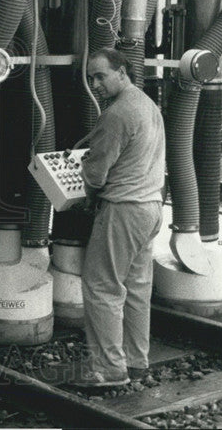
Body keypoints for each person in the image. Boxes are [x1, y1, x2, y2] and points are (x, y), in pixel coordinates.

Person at [74, 47, 165, 388]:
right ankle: (136, 362)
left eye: (101, 76)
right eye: (91, 78)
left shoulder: (117, 115)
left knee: (101, 286)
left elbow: (95, 174)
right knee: (137, 288)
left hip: (124, 209)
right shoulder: (147, 105)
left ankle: (109, 369)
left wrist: (86, 190)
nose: (95, 84)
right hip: (151, 207)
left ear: (122, 72)